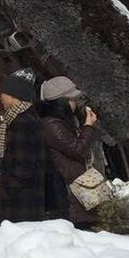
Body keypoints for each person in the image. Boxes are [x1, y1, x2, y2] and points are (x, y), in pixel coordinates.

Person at [0, 69, 63, 223]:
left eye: (2, 93)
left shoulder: (22, 123)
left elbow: (24, 165)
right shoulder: (26, 118)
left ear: (13, 95)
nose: (0, 97)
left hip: (22, 202)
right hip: (28, 198)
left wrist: (7, 190)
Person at [37, 76, 102, 227]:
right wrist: (88, 126)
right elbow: (78, 149)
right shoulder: (52, 125)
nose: (75, 103)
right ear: (61, 102)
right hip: (69, 191)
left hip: (76, 186)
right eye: (72, 100)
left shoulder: (60, 121)